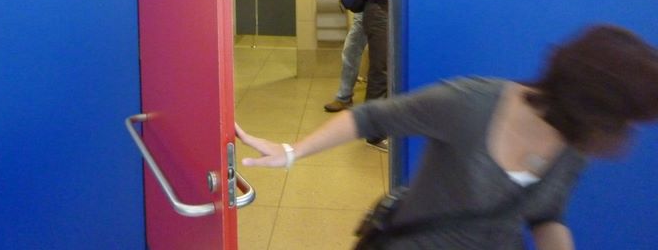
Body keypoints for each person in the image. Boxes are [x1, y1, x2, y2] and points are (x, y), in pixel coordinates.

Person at [236, 24, 658, 249]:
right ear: (587, 103)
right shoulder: (473, 104)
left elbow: (546, 214)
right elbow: (371, 116)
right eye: (618, 120)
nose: (620, 136)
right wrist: (293, 151)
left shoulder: (575, 143)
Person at [360, 0, 389, 149]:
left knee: (393, 70)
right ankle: (373, 134)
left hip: (396, 8)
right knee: (381, 71)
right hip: (378, 10)